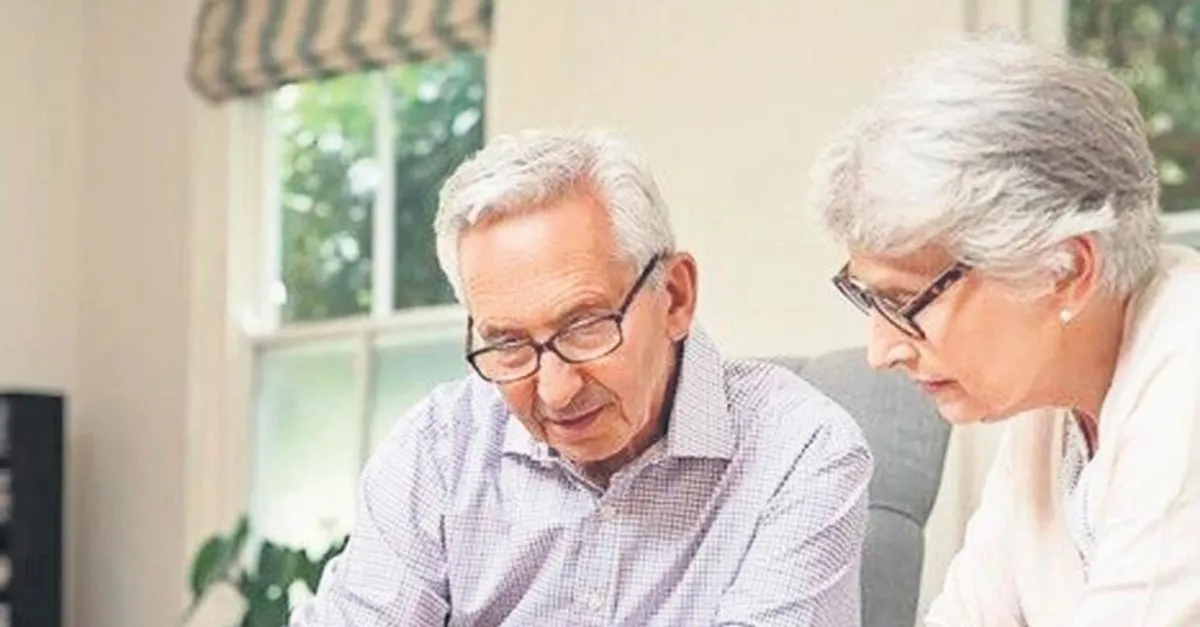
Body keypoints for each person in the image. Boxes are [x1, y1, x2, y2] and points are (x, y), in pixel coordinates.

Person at [291, 128, 872, 626]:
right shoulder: (438, 450)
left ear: (674, 296)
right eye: (508, 344)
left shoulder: (799, 450)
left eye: (585, 327)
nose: (556, 391)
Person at [807, 33, 1200, 627]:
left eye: (906, 301)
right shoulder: (1056, 397)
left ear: (1066, 271)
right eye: (868, 298)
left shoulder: (1186, 367)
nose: (880, 351)